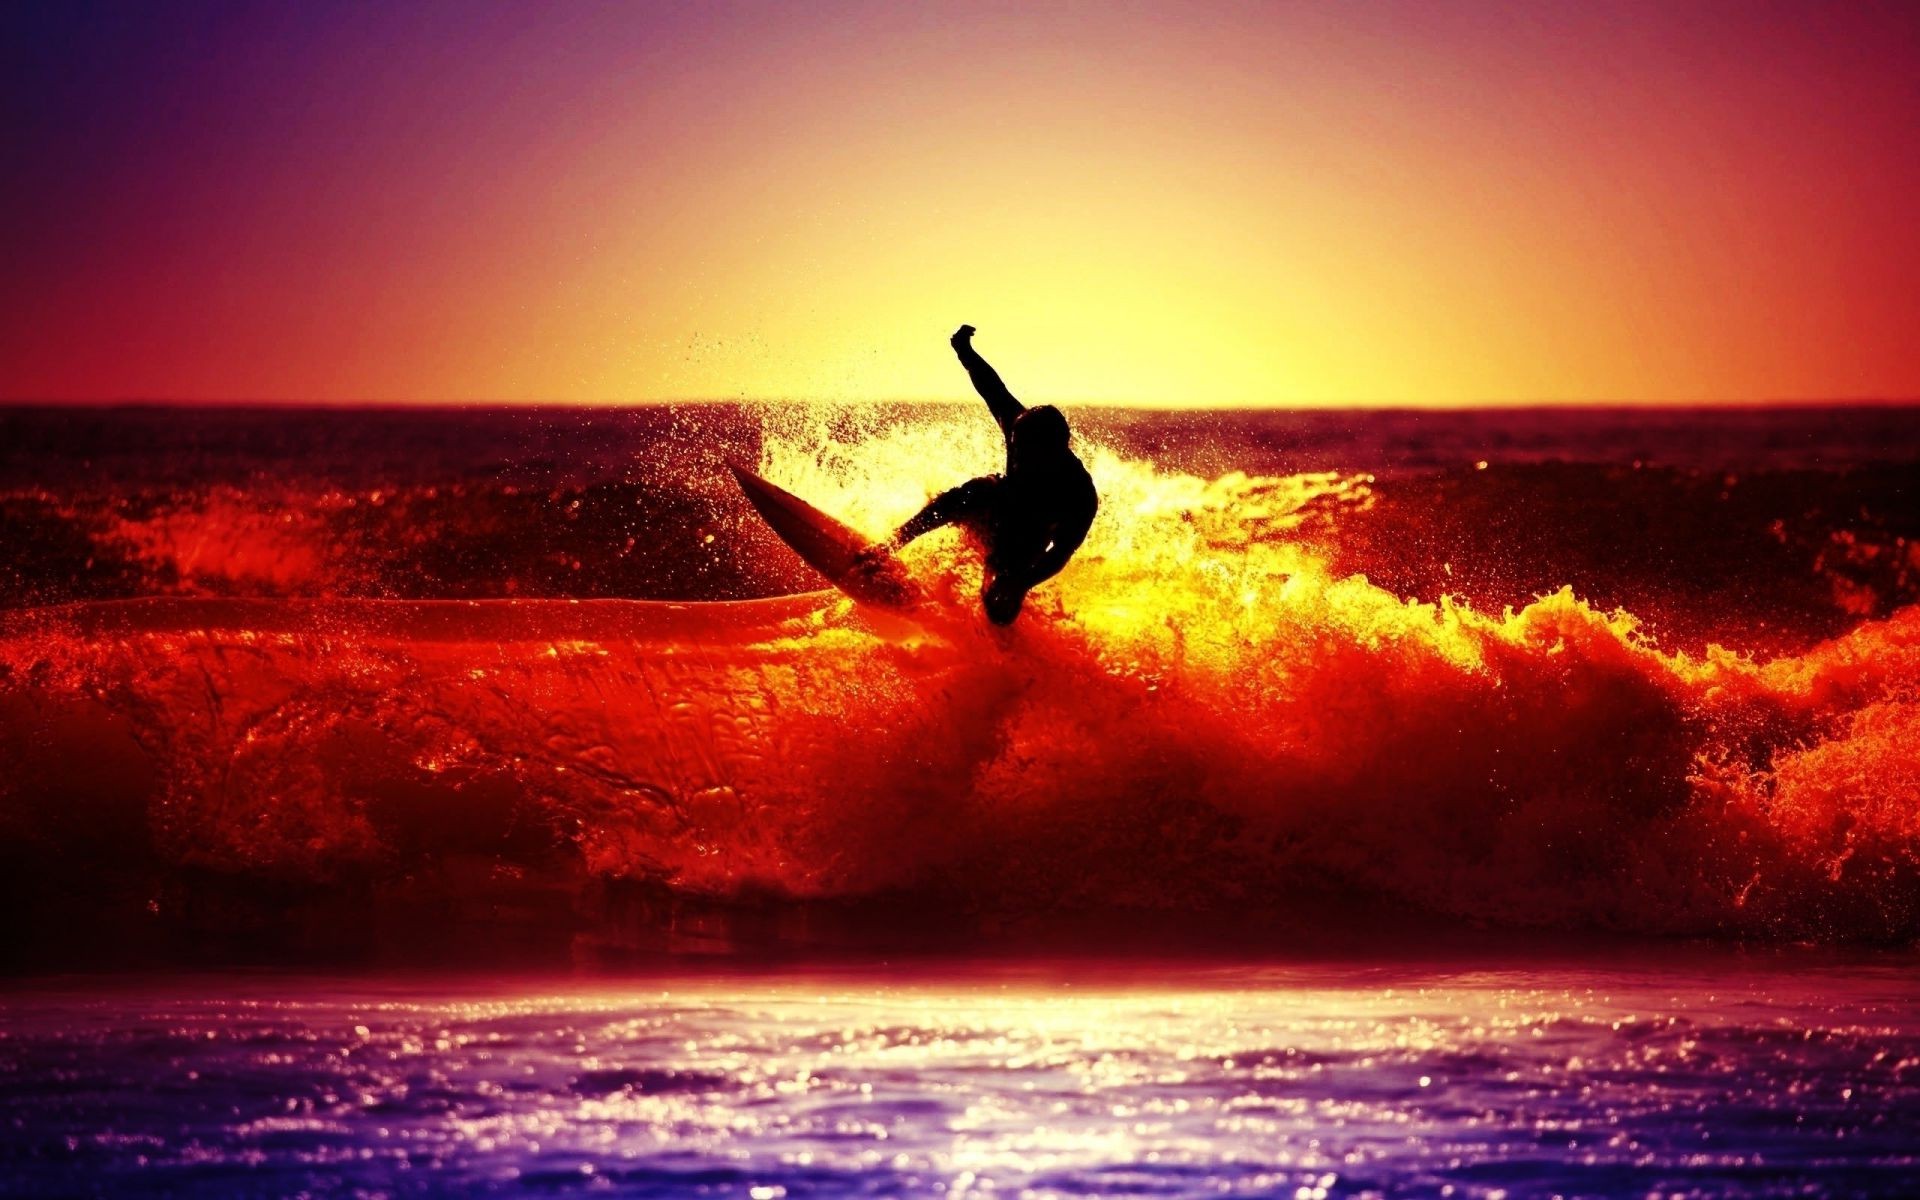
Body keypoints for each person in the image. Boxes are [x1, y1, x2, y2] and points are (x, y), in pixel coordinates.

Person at [872, 325, 1098, 624]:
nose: (1019, 456)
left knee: (1001, 606)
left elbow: (1060, 554)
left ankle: (997, 637)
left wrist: (1020, 584)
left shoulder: (1078, 494)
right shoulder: (1020, 426)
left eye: (1028, 452)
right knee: (978, 490)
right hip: (998, 505)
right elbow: (992, 388)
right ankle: (890, 545)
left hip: (1027, 540)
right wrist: (965, 352)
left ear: (1054, 449)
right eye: (1016, 447)